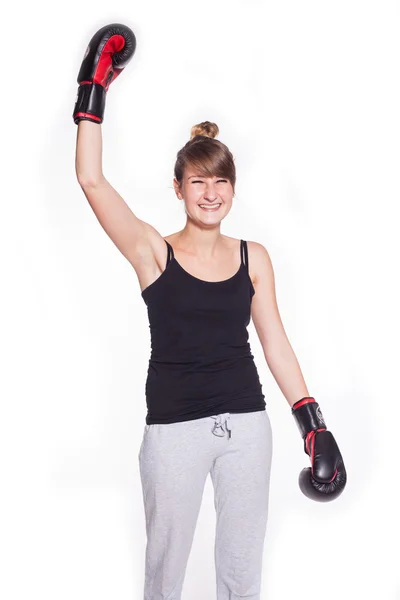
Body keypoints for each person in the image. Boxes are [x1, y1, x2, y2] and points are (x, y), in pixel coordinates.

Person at [73, 23, 346, 600]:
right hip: (173, 428)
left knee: (242, 576)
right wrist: (92, 95)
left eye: (221, 181)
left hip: (247, 424)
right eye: (199, 181)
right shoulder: (153, 252)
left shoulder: (254, 257)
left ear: (233, 188)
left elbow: (274, 342)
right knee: (164, 573)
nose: (211, 192)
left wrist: (312, 422)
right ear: (178, 188)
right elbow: (92, 181)